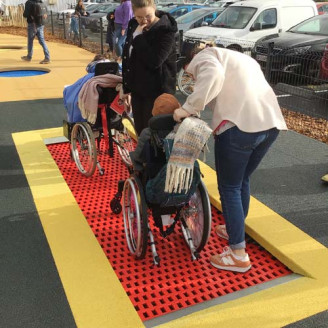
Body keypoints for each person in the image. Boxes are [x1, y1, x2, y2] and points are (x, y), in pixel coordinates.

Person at [173, 45, 288, 273]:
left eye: (190, 73)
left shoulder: (205, 56)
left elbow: (212, 75)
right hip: (270, 125)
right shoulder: (239, 58)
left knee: (230, 187)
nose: (192, 77)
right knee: (242, 180)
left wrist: (186, 109)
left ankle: (238, 254)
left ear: (190, 60)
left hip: (238, 127)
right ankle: (235, 228)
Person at [122, 0, 178, 136]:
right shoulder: (134, 24)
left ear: (155, 9)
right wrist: (126, 87)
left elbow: (155, 61)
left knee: (154, 134)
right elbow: (128, 57)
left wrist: (138, 37)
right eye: (139, 17)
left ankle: (151, 157)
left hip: (158, 91)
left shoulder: (166, 30)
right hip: (138, 88)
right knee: (140, 131)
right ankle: (143, 157)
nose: (144, 21)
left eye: (148, 16)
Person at [130, 93, 180, 171]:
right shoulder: (182, 132)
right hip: (179, 168)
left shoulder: (147, 133)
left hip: (155, 173)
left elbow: (138, 157)